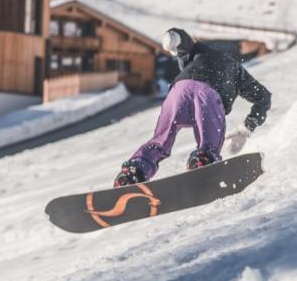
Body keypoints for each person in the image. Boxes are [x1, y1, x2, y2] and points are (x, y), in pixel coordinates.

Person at [115, 28, 271, 186]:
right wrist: (245, 129)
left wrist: (172, 37)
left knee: (159, 141)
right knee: (209, 144)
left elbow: (183, 40)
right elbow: (264, 98)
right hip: (206, 96)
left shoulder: (200, 51)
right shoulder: (238, 71)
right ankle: (202, 163)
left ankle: (133, 173)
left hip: (177, 93)